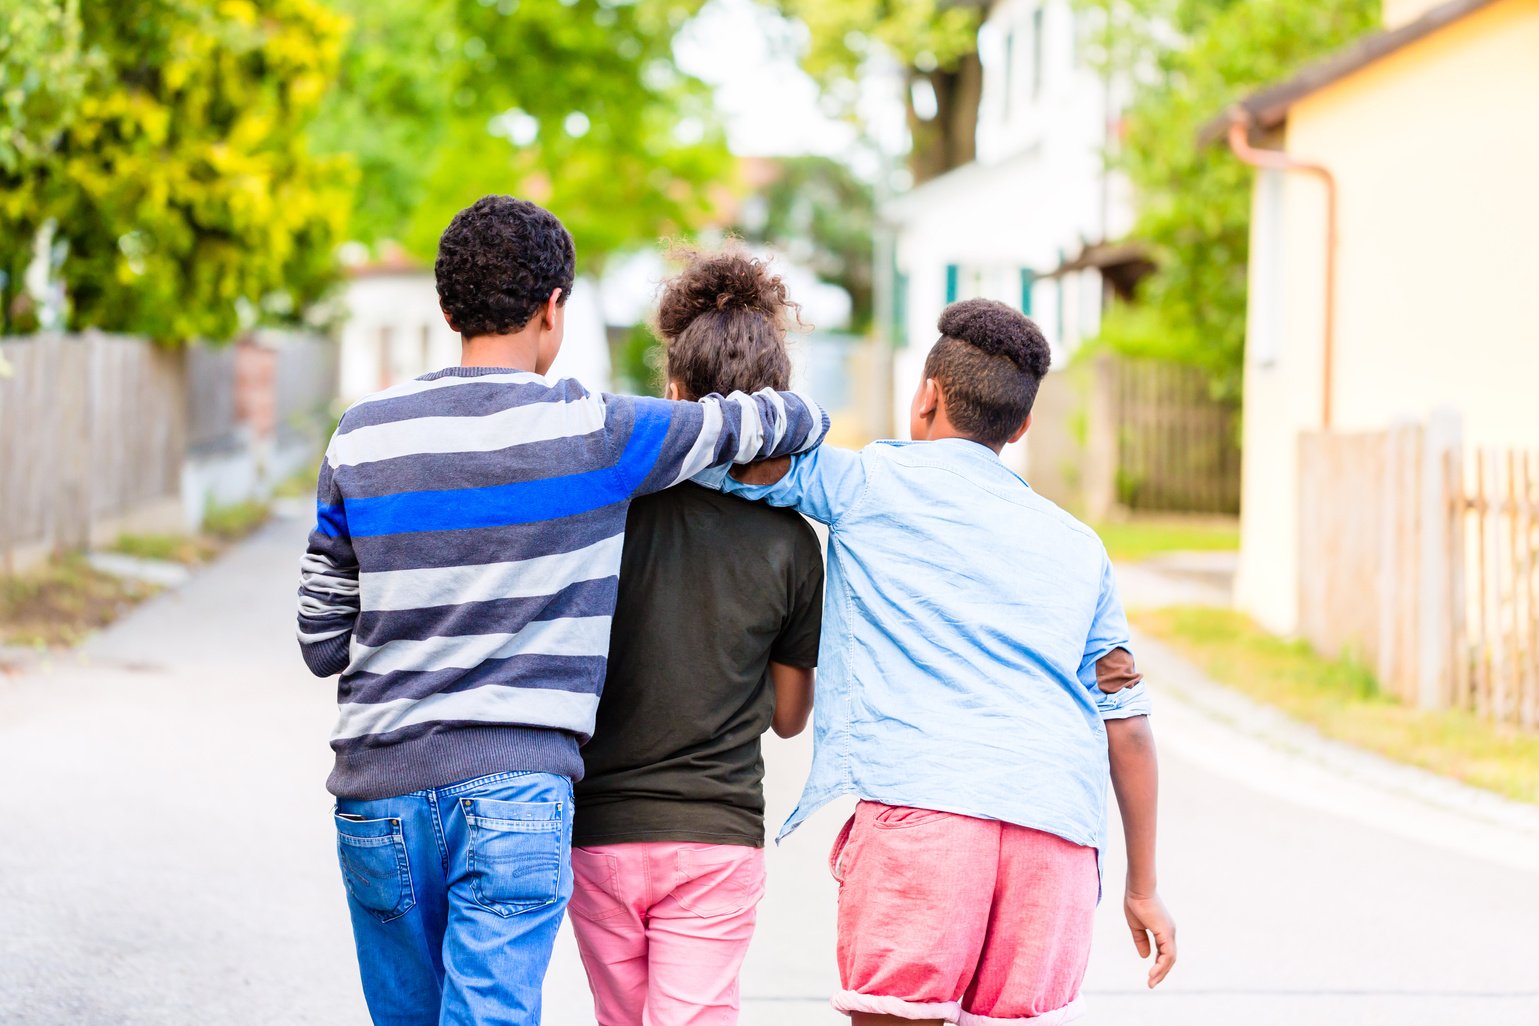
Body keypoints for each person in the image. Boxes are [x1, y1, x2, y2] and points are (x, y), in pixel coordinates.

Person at [294, 196, 829, 1026]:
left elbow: (321, 641)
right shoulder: (593, 433)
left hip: (379, 790)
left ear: (445, 309)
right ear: (554, 309)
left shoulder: (359, 435)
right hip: (517, 790)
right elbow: (779, 420)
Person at [719, 299, 1176, 1026]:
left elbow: (732, 461)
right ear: (1020, 428)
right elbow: (1125, 719)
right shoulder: (1078, 546)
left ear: (925, 395)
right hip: (1054, 834)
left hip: (925, 818)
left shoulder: (864, 483)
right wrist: (1142, 885)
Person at [568, 248, 824, 1026]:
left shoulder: (610, 511)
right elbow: (787, 717)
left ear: (672, 395)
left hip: (600, 833)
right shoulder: (789, 544)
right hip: (715, 836)